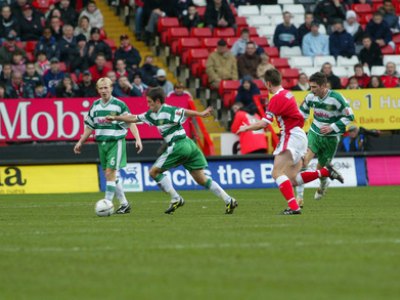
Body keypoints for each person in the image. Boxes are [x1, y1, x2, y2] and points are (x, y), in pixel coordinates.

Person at [106, 86, 238, 214]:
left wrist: (200, 114)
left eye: (150, 102)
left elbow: (184, 112)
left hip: (179, 145)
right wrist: (116, 118)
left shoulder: (168, 110)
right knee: (202, 179)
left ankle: (176, 198)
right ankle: (229, 200)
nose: (148, 105)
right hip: (190, 145)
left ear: (158, 101)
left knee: (153, 172)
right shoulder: (151, 114)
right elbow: (133, 117)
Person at [236, 69, 344, 215]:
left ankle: (294, 207)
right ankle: (325, 171)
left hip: (291, 135)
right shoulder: (288, 94)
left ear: (268, 83)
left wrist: (245, 127)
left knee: (276, 173)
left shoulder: (276, 98)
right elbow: (299, 117)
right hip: (299, 136)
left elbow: (264, 124)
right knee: (292, 179)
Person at [74, 77, 143, 214]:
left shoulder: (119, 105)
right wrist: (80, 142)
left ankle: (107, 204)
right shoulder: (95, 106)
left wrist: (138, 139)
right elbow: (89, 127)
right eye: (101, 88)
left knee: (110, 172)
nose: (104, 90)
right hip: (102, 144)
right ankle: (124, 204)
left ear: (111, 88)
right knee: (109, 175)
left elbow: (131, 121)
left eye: (106, 87)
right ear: (97, 90)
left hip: (115, 142)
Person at [295, 72, 354, 208]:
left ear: (323, 86)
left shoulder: (337, 98)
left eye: (315, 87)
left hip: (331, 138)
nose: (312, 90)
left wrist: (332, 127)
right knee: (303, 161)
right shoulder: (311, 96)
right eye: (311, 87)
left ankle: (323, 184)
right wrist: (298, 128)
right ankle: (299, 198)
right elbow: (302, 112)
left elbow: (350, 117)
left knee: (320, 168)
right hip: (314, 132)